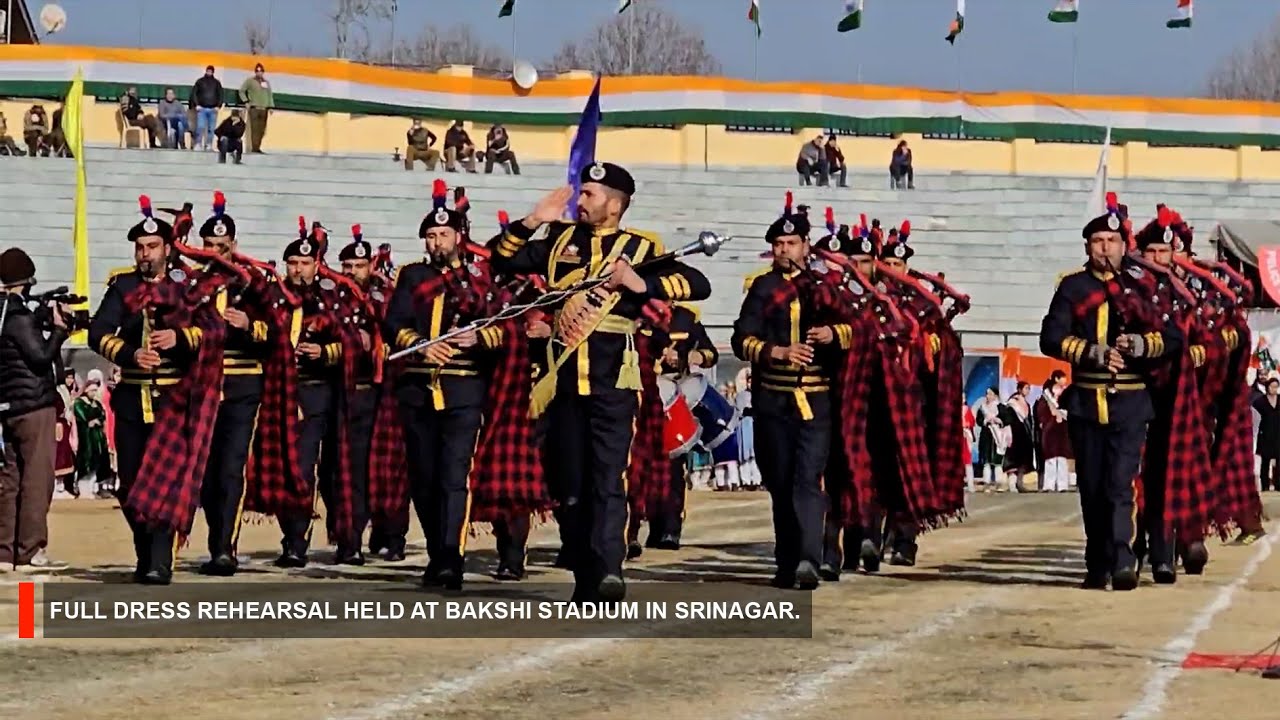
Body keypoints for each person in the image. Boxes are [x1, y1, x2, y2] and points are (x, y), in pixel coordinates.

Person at [487, 162, 711, 602]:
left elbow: (696, 283)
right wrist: (534, 220)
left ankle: (609, 570)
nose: (580, 201)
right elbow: (502, 257)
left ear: (614, 203)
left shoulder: (641, 246)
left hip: (614, 382)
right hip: (561, 381)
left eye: (589, 194)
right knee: (569, 482)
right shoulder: (559, 240)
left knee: (610, 478)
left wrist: (639, 282)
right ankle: (584, 574)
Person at [386, 193, 546, 589]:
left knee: (454, 478)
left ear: (459, 236)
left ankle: (451, 560)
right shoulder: (412, 276)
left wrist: (481, 338)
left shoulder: (482, 278)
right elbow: (393, 323)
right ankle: (437, 553)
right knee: (423, 480)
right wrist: (421, 342)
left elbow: (506, 327)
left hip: (465, 389)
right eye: (430, 234)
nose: (435, 241)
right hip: (418, 389)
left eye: (443, 233)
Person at [1039, 199, 1182, 591]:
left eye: (1111, 240)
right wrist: (1091, 352)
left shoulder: (1145, 284)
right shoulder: (1073, 287)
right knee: (1092, 488)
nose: (1105, 247)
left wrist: (1140, 344)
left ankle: (1123, 558)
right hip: (1086, 401)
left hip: (1131, 402)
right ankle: (1097, 562)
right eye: (1097, 240)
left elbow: (1173, 338)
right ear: (1087, 247)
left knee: (1121, 485)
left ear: (1124, 244)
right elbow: (1051, 337)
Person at [733, 195, 854, 590]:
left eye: (791, 244)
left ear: (806, 245)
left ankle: (807, 560)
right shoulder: (763, 288)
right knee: (781, 483)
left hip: (816, 400)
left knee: (807, 480)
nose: (784, 250)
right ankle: (787, 562)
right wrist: (778, 352)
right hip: (773, 401)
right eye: (778, 245)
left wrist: (833, 333)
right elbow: (741, 341)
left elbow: (857, 329)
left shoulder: (826, 286)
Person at [193, 193, 273, 576]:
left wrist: (249, 326)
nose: (214, 253)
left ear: (234, 247)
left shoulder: (255, 283)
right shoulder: (190, 283)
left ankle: (225, 546)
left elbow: (277, 331)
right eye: (208, 246)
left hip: (242, 385)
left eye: (221, 247)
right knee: (205, 471)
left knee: (230, 468)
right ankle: (213, 539)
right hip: (201, 386)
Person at [0, 247, 70, 571]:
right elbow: (41, 357)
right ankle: (29, 551)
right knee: (37, 481)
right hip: (33, 406)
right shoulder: (17, 317)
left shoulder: (4, 315)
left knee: (10, 480)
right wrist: (58, 330)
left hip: (9, 407)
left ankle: (5, 551)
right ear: (25, 283)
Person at [74, 370, 114, 499]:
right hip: (86, 438)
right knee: (87, 463)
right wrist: (92, 420)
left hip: (98, 438)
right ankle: (84, 490)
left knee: (99, 462)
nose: (94, 393)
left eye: (96, 391)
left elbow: (102, 416)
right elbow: (84, 417)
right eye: (92, 391)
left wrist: (96, 420)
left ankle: (95, 489)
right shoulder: (79, 403)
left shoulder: (96, 404)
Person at [1035, 372, 1071, 493]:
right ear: (1056, 379)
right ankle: (1048, 485)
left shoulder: (1066, 393)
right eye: (1062, 378)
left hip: (1062, 428)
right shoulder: (1046, 395)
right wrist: (1045, 421)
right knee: (1050, 457)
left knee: (1061, 457)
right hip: (1050, 428)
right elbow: (1041, 410)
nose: (1065, 381)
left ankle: (1062, 485)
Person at [54, 368, 79, 497]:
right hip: (58, 425)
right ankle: (55, 487)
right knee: (58, 455)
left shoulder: (68, 392)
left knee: (65, 454)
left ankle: (61, 485)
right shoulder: (57, 392)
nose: (70, 380)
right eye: (67, 377)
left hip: (67, 426)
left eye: (71, 377)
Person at [239, 63, 274, 153]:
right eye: (257, 71)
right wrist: (246, 101)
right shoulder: (250, 81)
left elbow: (269, 95)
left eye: (261, 71)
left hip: (264, 108)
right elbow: (241, 91)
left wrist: (271, 106)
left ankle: (258, 146)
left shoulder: (266, 82)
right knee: (255, 129)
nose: (259, 73)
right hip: (254, 108)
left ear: (263, 72)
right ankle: (255, 148)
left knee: (262, 130)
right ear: (255, 72)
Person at [190, 65, 224, 151]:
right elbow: (194, 93)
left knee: (211, 129)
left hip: (213, 110)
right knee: (200, 127)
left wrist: (218, 106)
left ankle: (208, 144)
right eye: (208, 70)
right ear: (206, 71)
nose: (209, 72)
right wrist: (196, 105)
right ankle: (198, 144)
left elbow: (221, 95)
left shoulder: (217, 83)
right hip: (202, 109)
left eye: (211, 71)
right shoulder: (200, 81)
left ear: (213, 72)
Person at [1254, 378, 1280, 491]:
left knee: (1279, 461)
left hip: (1278, 434)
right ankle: (1265, 485)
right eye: (1272, 386)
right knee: (1265, 461)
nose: (1274, 389)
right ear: (1267, 387)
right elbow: (1255, 418)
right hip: (1265, 434)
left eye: (1276, 386)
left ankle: (1278, 485)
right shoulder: (1260, 401)